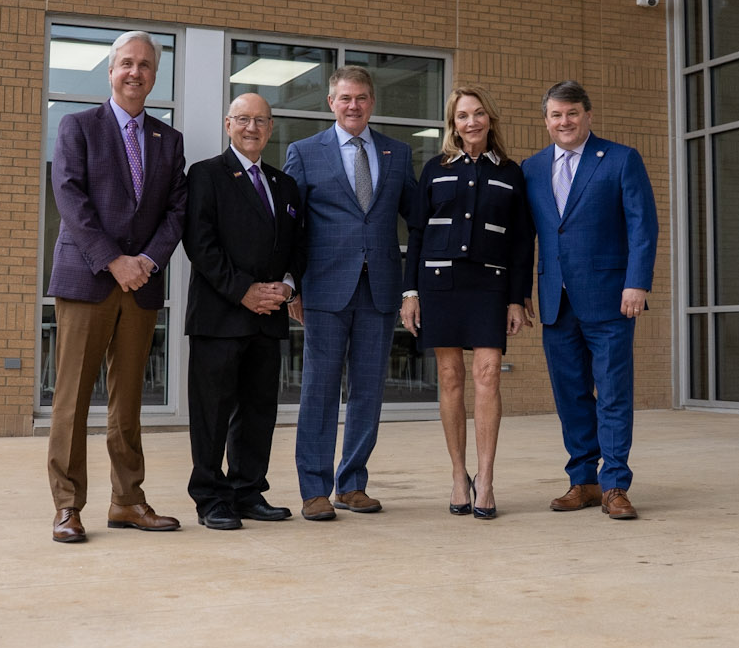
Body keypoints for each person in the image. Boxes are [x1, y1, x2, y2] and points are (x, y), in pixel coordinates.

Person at [44, 31, 186, 543]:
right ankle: (67, 505)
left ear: (154, 74)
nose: (136, 72)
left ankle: (127, 500)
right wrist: (113, 261)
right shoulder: (78, 127)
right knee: (72, 400)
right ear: (110, 70)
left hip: (141, 285)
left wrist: (145, 261)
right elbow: (71, 199)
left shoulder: (168, 140)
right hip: (88, 280)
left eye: (145, 65)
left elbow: (177, 211)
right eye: (127, 63)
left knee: (128, 402)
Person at [284, 65, 419, 521]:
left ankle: (353, 483)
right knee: (319, 390)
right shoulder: (304, 152)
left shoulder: (396, 153)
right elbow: (291, 227)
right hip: (324, 289)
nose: (353, 105)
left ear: (372, 102)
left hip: (379, 288)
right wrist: (292, 286)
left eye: (361, 97)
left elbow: (416, 216)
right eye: (345, 98)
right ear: (330, 103)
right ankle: (315, 489)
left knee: (368, 390)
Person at [522, 81, 658, 520]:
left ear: (588, 115)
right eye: (557, 115)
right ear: (546, 120)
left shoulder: (621, 159)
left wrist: (636, 284)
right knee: (571, 394)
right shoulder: (532, 167)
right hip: (555, 300)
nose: (565, 121)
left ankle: (616, 484)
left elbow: (643, 227)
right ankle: (583, 480)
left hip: (611, 299)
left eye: (573, 113)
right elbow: (528, 239)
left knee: (613, 393)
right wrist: (520, 293)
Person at [399, 85, 533, 519]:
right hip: (439, 284)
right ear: (452, 124)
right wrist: (410, 292)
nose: (470, 122)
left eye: (477, 114)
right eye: (461, 116)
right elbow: (416, 234)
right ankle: (459, 475)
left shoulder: (512, 173)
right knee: (451, 376)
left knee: (488, 375)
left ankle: (487, 478)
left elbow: (520, 243)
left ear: (490, 119)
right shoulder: (435, 170)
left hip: (490, 285)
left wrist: (517, 299)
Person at [182, 93, 307, 530]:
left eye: (260, 120)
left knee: (258, 412)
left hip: (268, 317)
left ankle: (248, 491)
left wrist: (289, 286)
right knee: (212, 413)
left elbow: (297, 246)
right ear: (227, 124)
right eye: (243, 119)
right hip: (219, 316)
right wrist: (245, 291)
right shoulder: (205, 175)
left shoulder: (284, 185)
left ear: (271, 129)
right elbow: (200, 245)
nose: (252, 127)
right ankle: (210, 497)